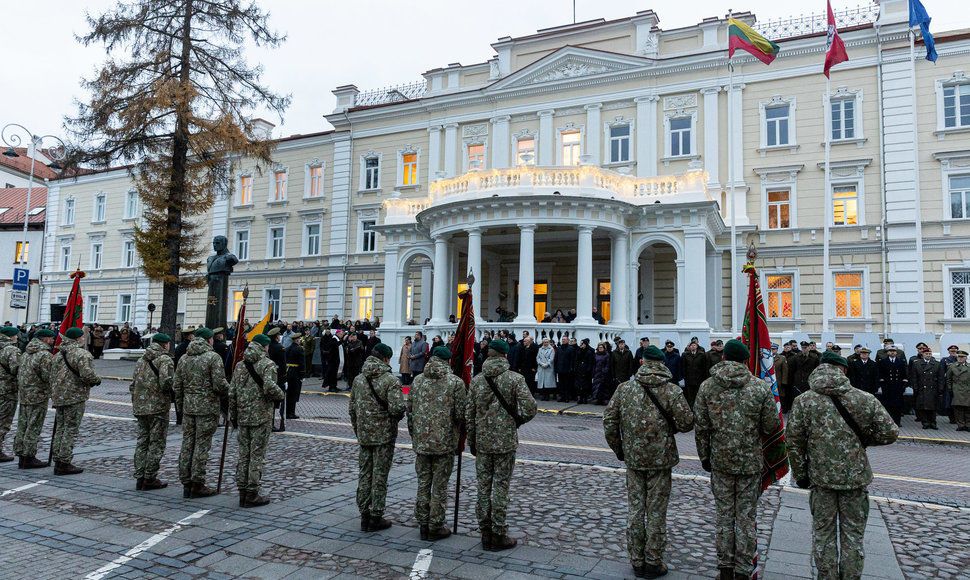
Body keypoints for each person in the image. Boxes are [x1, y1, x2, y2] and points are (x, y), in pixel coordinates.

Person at [787, 352, 899, 580]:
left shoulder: (804, 401)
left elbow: (794, 442)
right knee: (853, 537)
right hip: (855, 479)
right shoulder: (863, 398)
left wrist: (801, 475)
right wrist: (863, 440)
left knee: (823, 536)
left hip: (821, 479)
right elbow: (890, 432)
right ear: (844, 370)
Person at [604, 345, 694, 579]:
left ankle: (636, 560)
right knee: (656, 511)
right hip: (661, 460)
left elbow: (609, 422)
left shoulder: (625, 389)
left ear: (642, 363)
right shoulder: (672, 391)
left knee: (635, 509)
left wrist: (620, 450)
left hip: (634, 459)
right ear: (662, 364)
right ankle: (653, 561)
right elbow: (686, 423)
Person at [694, 339, 781, 580]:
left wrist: (704, 457)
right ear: (745, 361)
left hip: (720, 462)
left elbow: (700, 427)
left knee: (724, 516)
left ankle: (725, 570)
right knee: (745, 517)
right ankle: (743, 571)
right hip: (749, 463)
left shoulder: (708, 387)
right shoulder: (759, 387)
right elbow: (772, 425)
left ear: (723, 358)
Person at [467, 339, 537, 551]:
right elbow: (530, 408)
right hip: (505, 442)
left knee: (483, 486)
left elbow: (469, 414)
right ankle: (498, 532)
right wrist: (516, 420)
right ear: (505, 356)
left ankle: (485, 532)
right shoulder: (515, 379)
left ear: (489, 355)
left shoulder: (477, 380)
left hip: (482, 441)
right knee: (500, 486)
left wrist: (472, 440)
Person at [407, 346, 466, 540]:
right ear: (448, 361)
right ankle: (436, 525)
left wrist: (415, 435)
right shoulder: (455, 383)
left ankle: (423, 523)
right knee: (439, 486)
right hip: (444, 443)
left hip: (422, 442)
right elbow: (460, 414)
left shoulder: (417, 381)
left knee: (423, 483)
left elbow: (410, 411)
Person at [350, 343, 404, 532]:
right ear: (386, 359)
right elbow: (397, 408)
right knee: (379, 475)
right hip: (384, 435)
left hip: (364, 434)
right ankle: (376, 515)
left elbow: (352, 409)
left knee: (365, 473)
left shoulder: (359, 379)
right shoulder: (390, 380)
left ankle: (364, 513)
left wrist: (359, 430)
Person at [173, 327, 230, 498]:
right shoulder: (213, 358)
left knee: (187, 444)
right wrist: (229, 398)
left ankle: (186, 482)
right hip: (207, 408)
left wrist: (181, 407)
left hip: (189, 409)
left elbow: (177, 386)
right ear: (209, 340)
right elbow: (219, 385)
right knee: (201, 446)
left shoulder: (184, 358)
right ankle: (197, 483)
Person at [229, 334, 285, 508]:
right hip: (261, 416)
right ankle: (252, 492)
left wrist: (233, 415)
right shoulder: (267, 364)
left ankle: (242, 490)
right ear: (265, 347)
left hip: (243, 415)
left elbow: (232, 393)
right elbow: (269, 387)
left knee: (244, 454)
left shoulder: (240, 365)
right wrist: (281, 394)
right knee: (257, 455)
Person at [48, 327, 103, 476]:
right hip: (75, 396)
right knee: (70, 429)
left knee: (61, 428)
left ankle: (58, 458)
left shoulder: (58, 355)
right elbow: (87, 374)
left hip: (59, 396)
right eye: (82, 337)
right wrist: (96, 380)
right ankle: (64, 462)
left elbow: (51, 376)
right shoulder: (81, 354)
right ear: (78, 339)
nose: (84, 339)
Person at [130, 332, 175, 490]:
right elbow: (165, 383)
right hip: (157, 407)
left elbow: (133, 383)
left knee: (142, 441)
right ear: (164, 345)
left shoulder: (141, 360)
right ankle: (150, 477)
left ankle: (140, 476)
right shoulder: (164, 359)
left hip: (141, 406)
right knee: (156, 442)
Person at [13, 328, 56, 469]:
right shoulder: (44, 355)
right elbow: (48, 376)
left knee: (23, 426)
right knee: (34, 426)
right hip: (38, 395)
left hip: (25, 394)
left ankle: (21, 455)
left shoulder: (26, 353)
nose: (53, 341)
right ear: (45, 339)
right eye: (51, 338)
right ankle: (29, 456)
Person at [0, 326, 22, 462]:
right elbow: (16, 369)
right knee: (3, 421)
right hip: (7, 389)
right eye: (15, 335)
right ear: (11, 337)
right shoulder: (12, 350)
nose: (17, 337)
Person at [910, 347, 941, 430]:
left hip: (933, 389)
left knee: (933, 408)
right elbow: (914, 377)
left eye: (929, 354)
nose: (928, 355)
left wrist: (940, 388)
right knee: (922, 407)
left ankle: (933, 423)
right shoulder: (916, 363)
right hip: (921, 388)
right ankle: (925, 423)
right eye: (926, 354)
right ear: (922, 354)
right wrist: (915, 387)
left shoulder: (937, 364)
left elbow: (940, 377)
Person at [877, 346, 908, 426]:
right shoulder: (883, 362)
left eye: (894, 351)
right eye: (890, 351)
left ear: (896, 352)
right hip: (887, 387)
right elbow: (880, 374)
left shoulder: (901, 361)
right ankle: (888, 422)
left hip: (898, 387)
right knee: (888, 405)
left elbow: (904, 374)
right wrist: (882, 385)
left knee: (897, 406)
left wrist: (904, 384)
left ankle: (897, 422)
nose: (892, 352)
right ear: (887, 352)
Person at [682, 340, 711, 408]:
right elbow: (684, 366)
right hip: (689, 379)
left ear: (697, 346)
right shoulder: (685, 354)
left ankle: (697, 407)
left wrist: (703, 377)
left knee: (697, 394)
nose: (693, 347)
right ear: (689, 347)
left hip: (699, 378)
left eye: (694, 345)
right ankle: (690, 408)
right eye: (691, 345)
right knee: (690, 395)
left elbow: (704, 366)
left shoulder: (702, 354)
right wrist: (684, 376)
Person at [946, 350, 970, 431]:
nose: (960, 358)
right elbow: (948, 379)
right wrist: (950, 389)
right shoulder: (952, 366)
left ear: (966, 358)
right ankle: (960, 425)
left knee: (967, 409)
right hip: (957, 390)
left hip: (967, 390)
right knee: (958, 409)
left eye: (962, 357)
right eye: (959, 357)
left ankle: (968, 425)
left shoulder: (969, 367)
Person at [284, 330, 305, 419]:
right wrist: (302, 375)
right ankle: (291, 413)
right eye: (299, 339)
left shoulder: (287, 348)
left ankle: (287, 412)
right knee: (294, 392)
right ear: (297, 340)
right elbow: (302, 363)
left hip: (288, 371)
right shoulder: (299, 349)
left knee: (289, 393)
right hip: (296, 372)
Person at [573, 338, 595, 404]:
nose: (581, 345)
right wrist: (576, 369)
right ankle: (580, 398)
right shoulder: (579, 351)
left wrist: (588, 370)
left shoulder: (589, 351)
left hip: (586, 371)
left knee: (585, 386)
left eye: (582, 344)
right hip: (580, 370)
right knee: (579, 386)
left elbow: (590, 362)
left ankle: (585, 398)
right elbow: (576, 360)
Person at [555, 337, 575, 403]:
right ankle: (562, 396)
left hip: (567, 369)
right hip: (560, 368)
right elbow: (556, 359)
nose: (563, 341)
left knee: (567, 384)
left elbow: (572, 359)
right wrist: (556, 368)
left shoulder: (571, 349)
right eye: (562, 339)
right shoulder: (559, 348)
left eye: (564, 339)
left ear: (567, 341)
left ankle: (566, 397)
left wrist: (571, 368)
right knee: (561, 384)